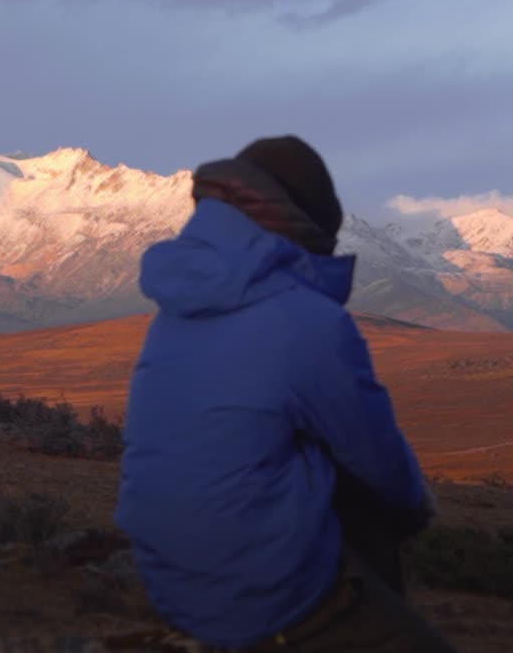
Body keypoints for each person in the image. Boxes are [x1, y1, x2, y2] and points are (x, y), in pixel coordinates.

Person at [112, 136, 453, 651]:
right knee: (371, 502)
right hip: (259, 597)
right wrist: (414, 509)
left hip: (169, 577)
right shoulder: (307, 321)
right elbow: (380, 463)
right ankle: (343, 620)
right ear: (306, 224)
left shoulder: (177, 307)